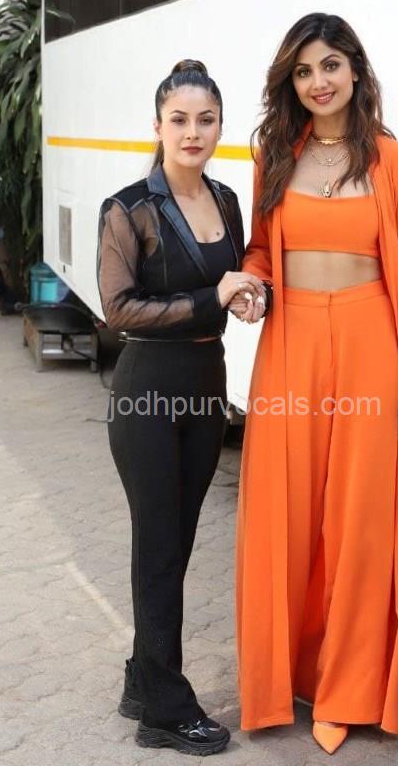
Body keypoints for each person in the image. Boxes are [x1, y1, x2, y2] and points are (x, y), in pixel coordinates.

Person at [232, 14, 398, 754]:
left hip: (370, 342)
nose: (318, 82)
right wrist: (251, 285)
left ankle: (348, 691)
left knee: (359, 521)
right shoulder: (275, 156)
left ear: (355, 69)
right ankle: (282, 679)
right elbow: (261, 251)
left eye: (329, 65)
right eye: (303, 71)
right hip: (290, 342)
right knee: (284, 514)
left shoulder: (393, 160)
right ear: (289, 83)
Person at [97, 59, 266, 756]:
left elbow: (231, 281)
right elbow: (118, 310)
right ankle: (165, 709)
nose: (193, 131)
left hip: (205, 382)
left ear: (220, 126)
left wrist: (248, 297)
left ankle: (143, 680)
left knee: (177, 544)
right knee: (159, 548)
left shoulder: (225, 200)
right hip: (147, 388)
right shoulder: (127, 208)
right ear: (158, 126)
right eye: (179, 119)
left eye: (206, 119)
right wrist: (212, 298)